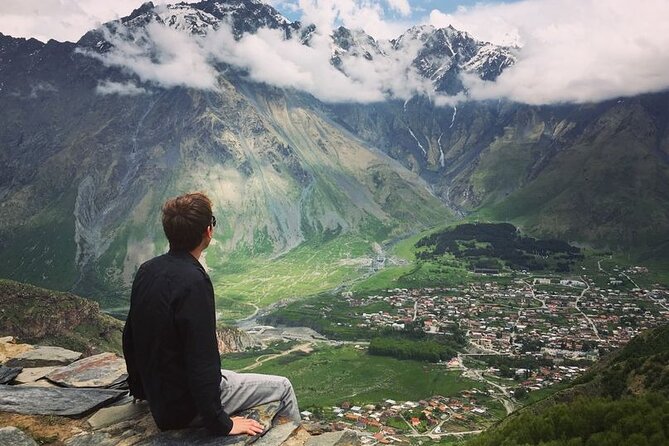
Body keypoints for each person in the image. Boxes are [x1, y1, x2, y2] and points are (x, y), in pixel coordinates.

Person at [122, 192, 300, 436]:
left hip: (161, 398)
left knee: (233, 376)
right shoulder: (194, 281)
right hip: (185, 407)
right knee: (283, 387)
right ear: (208, 231)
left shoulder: (147, 270)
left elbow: (130, 337)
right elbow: (201, 362)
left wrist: (142, 391)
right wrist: (222, 423)